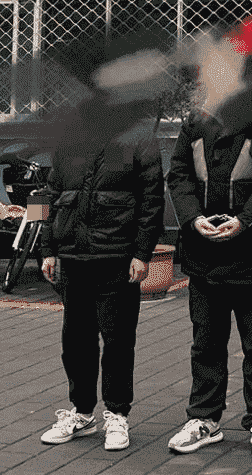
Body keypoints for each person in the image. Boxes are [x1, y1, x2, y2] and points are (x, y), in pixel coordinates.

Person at [38, 79, 165, 452]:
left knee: (118, 342)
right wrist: (46, 249)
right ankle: (81, 413)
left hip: (117, 258)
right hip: (73, 258)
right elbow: (44, 195)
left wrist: (142, 253)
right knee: (75, 342)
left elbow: (152, 200)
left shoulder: (139, 138)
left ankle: (117, 415)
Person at [166, 103, 252, 459]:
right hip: (203, 252)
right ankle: (204, 419)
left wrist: (244, 221)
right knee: (206, 342)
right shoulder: (196, 118)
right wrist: (193, 218)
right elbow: (178, 174)